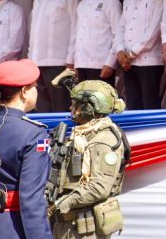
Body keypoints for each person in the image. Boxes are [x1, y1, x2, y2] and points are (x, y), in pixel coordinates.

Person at [48, 79, 127, 239]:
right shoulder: (82, 134)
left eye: (75, 104)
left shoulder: (104, 140)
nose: (71, 108)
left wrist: (62, 204)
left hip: (84, 229)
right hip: (65, 224)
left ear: (89, 107)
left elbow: (99, 187)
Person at [0, 59, 52, 239]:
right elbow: (31, 200)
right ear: (24, 92)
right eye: (34, 86)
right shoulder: (33, 134)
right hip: (10, 226)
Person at [28, 0, 80, 112]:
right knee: (41, 107)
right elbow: (34, 30)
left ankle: (62, 137)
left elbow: (76, 28)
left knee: (60, 107)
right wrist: (31, 59)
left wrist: (70, 58)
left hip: (59, 62)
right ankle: (44, 137)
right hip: (37, 61)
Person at [116, 0, 166, 110]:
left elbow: (155, 27)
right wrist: (120, 50)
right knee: (133, 103)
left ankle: (153, 134)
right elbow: (121, 26)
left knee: (150, 103)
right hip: (129, 61)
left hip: (149, 60)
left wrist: (132, 53)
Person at [74, 0, 122, 85]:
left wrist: (111, 63)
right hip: (82, 64)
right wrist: (75, 62)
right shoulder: (82, 4)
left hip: (101, 65)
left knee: (100, 103)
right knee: (83, 103)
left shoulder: (111, 1)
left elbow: (119, 33)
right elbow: (78, 34)